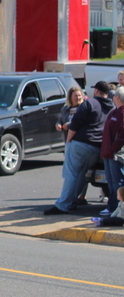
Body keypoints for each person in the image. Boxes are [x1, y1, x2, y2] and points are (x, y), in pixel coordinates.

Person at [45, 80, 114, 215]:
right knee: (81, 174)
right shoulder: (112, 107)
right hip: (98, 148)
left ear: (96, 91)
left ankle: (64, 204)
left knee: (71, 174)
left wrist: (69, 141)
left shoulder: (89, 103)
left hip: (81, 143)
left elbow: (74, 124)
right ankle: (72, 201)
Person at [99, 86, 124, 215]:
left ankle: (116, 208)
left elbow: (121, 136)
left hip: (116, 154)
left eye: (114, 95)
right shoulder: (114, 111)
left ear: (118, 97)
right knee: (110, 182)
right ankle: (112, 206)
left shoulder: (122, 113)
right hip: (108, 153)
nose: (112, 97)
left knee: (117, 182)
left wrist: (114, 149)